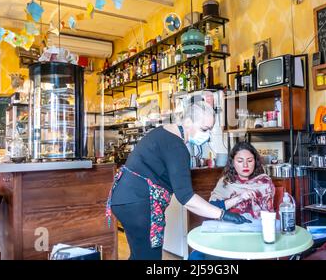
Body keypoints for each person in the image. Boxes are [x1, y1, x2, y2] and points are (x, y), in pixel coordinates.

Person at [106, 102, 251, 260]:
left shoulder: (163, 133)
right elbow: (187, 198)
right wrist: (223, 215)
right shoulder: (177, 146)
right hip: (138, 203)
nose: (208, 135)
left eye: (210, 129)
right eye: (204, 129)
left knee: (139, 255)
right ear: (188, 122)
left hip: (124, 198)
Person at [190, 141, 276, 260]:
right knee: (196, 257)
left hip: (254, 234)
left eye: (250, 161)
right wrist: (238, 198)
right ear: (233, 163)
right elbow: (212, 208)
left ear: (255, 162)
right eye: (240, 161)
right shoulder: (225, 182)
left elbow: (268, 215)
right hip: (226, 232)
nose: (245, 165)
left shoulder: (264, 183)